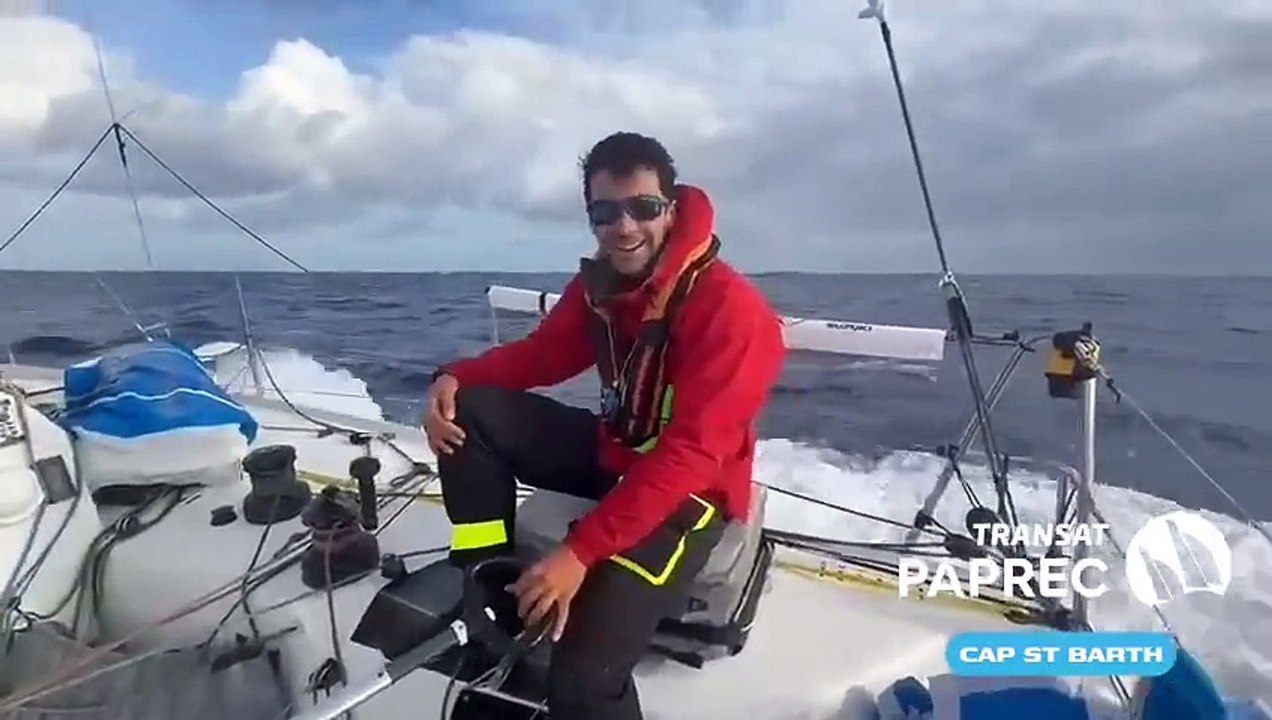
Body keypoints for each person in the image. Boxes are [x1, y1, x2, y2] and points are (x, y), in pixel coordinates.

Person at [422, 131, 786, 720]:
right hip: (620, 450)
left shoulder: (732, 311)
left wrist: (578, 552)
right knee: (469, 411)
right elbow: (542, 356)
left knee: (584, 672)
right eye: (605, 212)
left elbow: (691, 456)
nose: (624, 227)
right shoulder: (602, 288)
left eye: (643, 207)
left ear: (671, 208)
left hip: (692, 493)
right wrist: (453, 376)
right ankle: (485, 579)